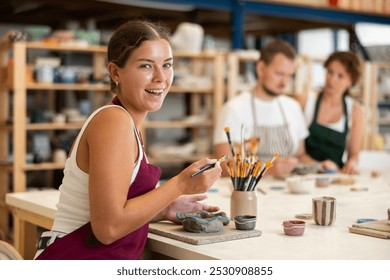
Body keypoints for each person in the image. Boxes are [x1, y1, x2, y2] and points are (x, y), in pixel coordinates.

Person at [34, 19, 222, 260]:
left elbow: (110, 209)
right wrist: (179, 185)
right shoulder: (114, 121)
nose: (160, 77)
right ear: (115, 72)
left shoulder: (127, 123)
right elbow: (108, 228)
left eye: (167, 65)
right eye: (146, 66)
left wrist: (163, 208)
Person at [214, 40, 309, 178]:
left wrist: (320, 165)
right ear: (261, 69)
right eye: (279, 74)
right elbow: (223, 165)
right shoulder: (234, 109)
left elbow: (300, 155)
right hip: (250, 193)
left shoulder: (293, 107)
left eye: (289, 76)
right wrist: (269, 170)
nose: (284, 82)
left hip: (288, 192)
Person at [297, 51, 364, 174]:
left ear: (351, 82)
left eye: (340, 76)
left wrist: (351, 163)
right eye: (330, 72)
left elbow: (354, 153)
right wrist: (319, 165)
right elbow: (297, 152)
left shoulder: (354, 110)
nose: (332, 79)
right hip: (304, 175)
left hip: (334, 176)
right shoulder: (306, 102)